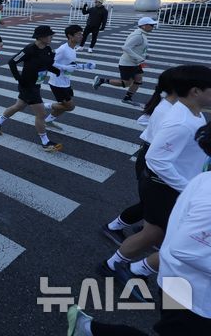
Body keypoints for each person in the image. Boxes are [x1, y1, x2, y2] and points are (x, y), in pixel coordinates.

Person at [67, 122, 211, 336]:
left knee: (152, 229)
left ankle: (127, 271)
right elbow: (187, 249)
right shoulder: (181, 121)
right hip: (190, 291)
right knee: (152, 230)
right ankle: (88, 326)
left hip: (189, 285)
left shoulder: (203, 178)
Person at [98, 65, 211, 299]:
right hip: (163, 185)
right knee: (157, 235)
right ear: (195, 92)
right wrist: (187, 187)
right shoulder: (181, 121)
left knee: (156, 235)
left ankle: (119, 266)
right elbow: (156, 159)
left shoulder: (193, 112)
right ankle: (121, 267)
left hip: (171, 183)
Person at [102, 67, 179, 246]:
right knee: (153, 203)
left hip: (152, 155)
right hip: (152, 158)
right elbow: (158, 149)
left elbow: (144, 120)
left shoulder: (169, 105)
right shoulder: (169, 110)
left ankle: (148, 230)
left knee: (156, 202)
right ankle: (114, 227)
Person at [0, 25, 62, 152]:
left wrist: (55, 70)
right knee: (41, 114)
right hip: (28, 85)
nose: (52, 37)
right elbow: (12, 62)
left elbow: (46, 64)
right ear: (41, 37)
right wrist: (19, 78)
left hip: (36, 84)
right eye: (49, 35)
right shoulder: (30, 49)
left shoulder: (47, 49)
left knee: (18, 106)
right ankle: (45, 142)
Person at [92, 17, 157, 106]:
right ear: (144, 26)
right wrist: (139, 58)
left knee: (138, 80)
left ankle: (127, 98)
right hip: (128, 64)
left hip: (135, 63)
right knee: (126, 83)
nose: (153, 27)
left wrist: (144, 55)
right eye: (151, 25)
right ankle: (102, 80)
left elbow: (137, 48)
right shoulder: (138, 36)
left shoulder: (141, 34)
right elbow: (126, 47)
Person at [43, 25, 96, 126]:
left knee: (65, 105)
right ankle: (43, 106)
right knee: (70, 107)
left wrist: (85, 66)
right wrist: (64, 67)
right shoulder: (63, 49)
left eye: (82, 33)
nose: (82, 36)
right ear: (70, 36)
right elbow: (48, 62)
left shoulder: (72, 48)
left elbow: (71, 65)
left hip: (65, 81)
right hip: (57, 83)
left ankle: (47, 121)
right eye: (79, 34)